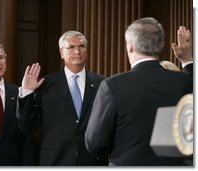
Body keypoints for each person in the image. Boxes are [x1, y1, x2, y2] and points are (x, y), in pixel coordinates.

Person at [85, 17, 193, 166]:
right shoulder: (183, 82)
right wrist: (187, 60)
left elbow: (94, 143)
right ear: (160, 46)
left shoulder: (112, 86)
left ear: (130, 47)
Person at [17, 31, 108, 166]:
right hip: (56, 161)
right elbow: (27, 126)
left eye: (81, 46)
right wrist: (27, 91)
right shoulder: (45, 84)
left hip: (93, 161)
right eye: (71, 47)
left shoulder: (103, 83)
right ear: (61, 53)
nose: (77, 51)